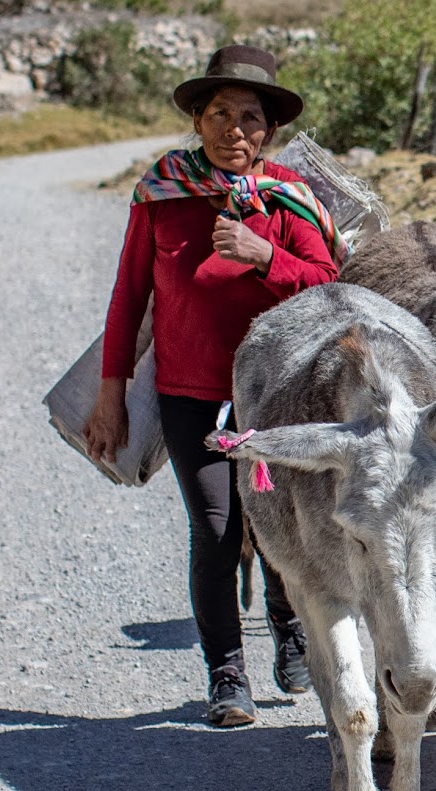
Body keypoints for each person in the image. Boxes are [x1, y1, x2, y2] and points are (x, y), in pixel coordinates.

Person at [85, 45, 342, 726]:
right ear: (197, 122)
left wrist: (267, 257)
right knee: (217, 528)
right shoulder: (161, 195)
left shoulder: (290, 199)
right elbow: (127, 298)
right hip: (191, 392)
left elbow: (331, 287)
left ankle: (289, 628)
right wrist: (109, 394)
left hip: (279, 395)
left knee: (282, 521)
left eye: (250, 117)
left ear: (269, 131)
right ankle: (227, 672)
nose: (235, 129)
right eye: (219, 114)